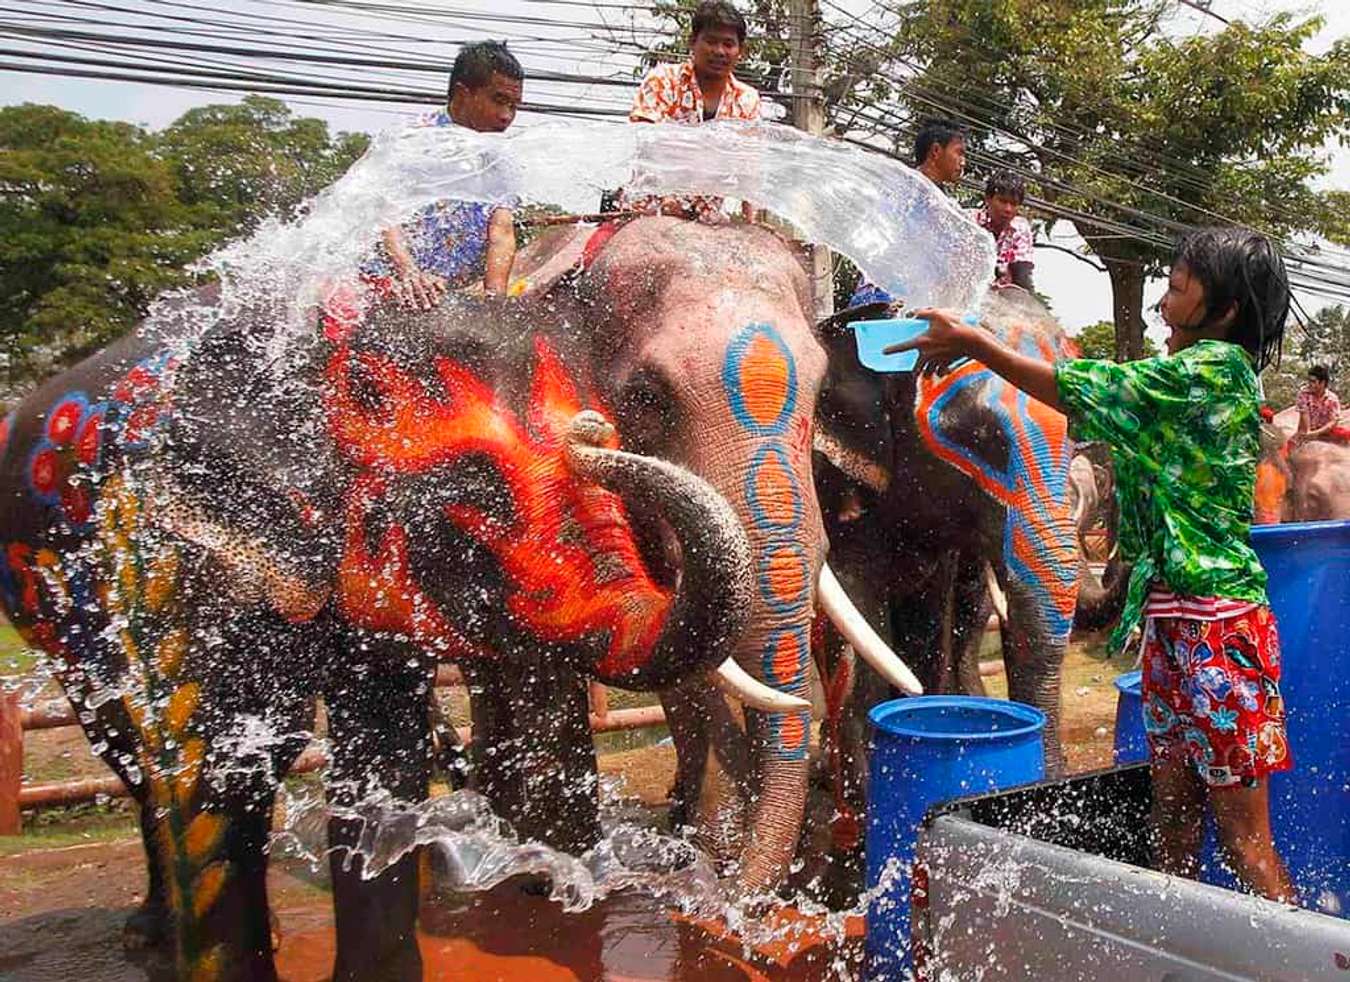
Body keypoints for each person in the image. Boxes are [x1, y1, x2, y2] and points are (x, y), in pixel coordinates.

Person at [891, 226, 1296, 903]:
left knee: (1245, 846)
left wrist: (972, 344)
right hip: (1171, 632)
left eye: (1176, 291)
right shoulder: (1172, 396)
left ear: (1223, 315)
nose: (1160, 306)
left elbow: (1086, 387)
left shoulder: (1215, 373)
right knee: (1171, 832)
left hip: (1222, 636)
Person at [374, 41, 524, 309]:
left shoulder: (501, 159)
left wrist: (495, 304)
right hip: (386, 284)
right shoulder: (411, 139)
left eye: (514, 106)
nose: (506, 116)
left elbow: (501, 231)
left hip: (447, 296)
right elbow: (385, 215)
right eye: (499, 101)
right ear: (463, 94)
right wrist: (409, 274)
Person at [621, 1, 761, 223]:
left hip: (708, 219)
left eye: (728, 44)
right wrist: (668, 199)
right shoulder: (662, 80)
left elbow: (748, 169)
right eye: (711, 41)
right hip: (649, 211)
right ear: (692, 42)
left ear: (740, 51)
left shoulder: (747, 99)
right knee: (592, 252)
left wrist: (752, 225)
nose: (719, 51)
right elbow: (645, 144)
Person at [847, 118, 966, 307]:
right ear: (936, 151)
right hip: (881, 302)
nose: (963, 162)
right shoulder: (901, 191)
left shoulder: (944, 205)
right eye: (959, 153)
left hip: (918, 305)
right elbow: (880, 246)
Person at [973, 169, 1035, 291]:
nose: (1008, 209)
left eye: (1013, 203)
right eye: (1002, 201)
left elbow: (1022, 275)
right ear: (988, 199)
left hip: (1000, 300)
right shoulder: (970, 221)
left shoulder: (1020, 229)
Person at [1294, 364, 1341, 445]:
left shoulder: (1332, 399)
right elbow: (1304, 415)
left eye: (1313, 381)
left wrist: (1316, 433)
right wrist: (1308, 434)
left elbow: (1333, 422)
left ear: (1322, 383)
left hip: (1325, 433)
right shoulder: (1303, 394)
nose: (1309, 384)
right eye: (1309, 381)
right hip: (1305, 433)